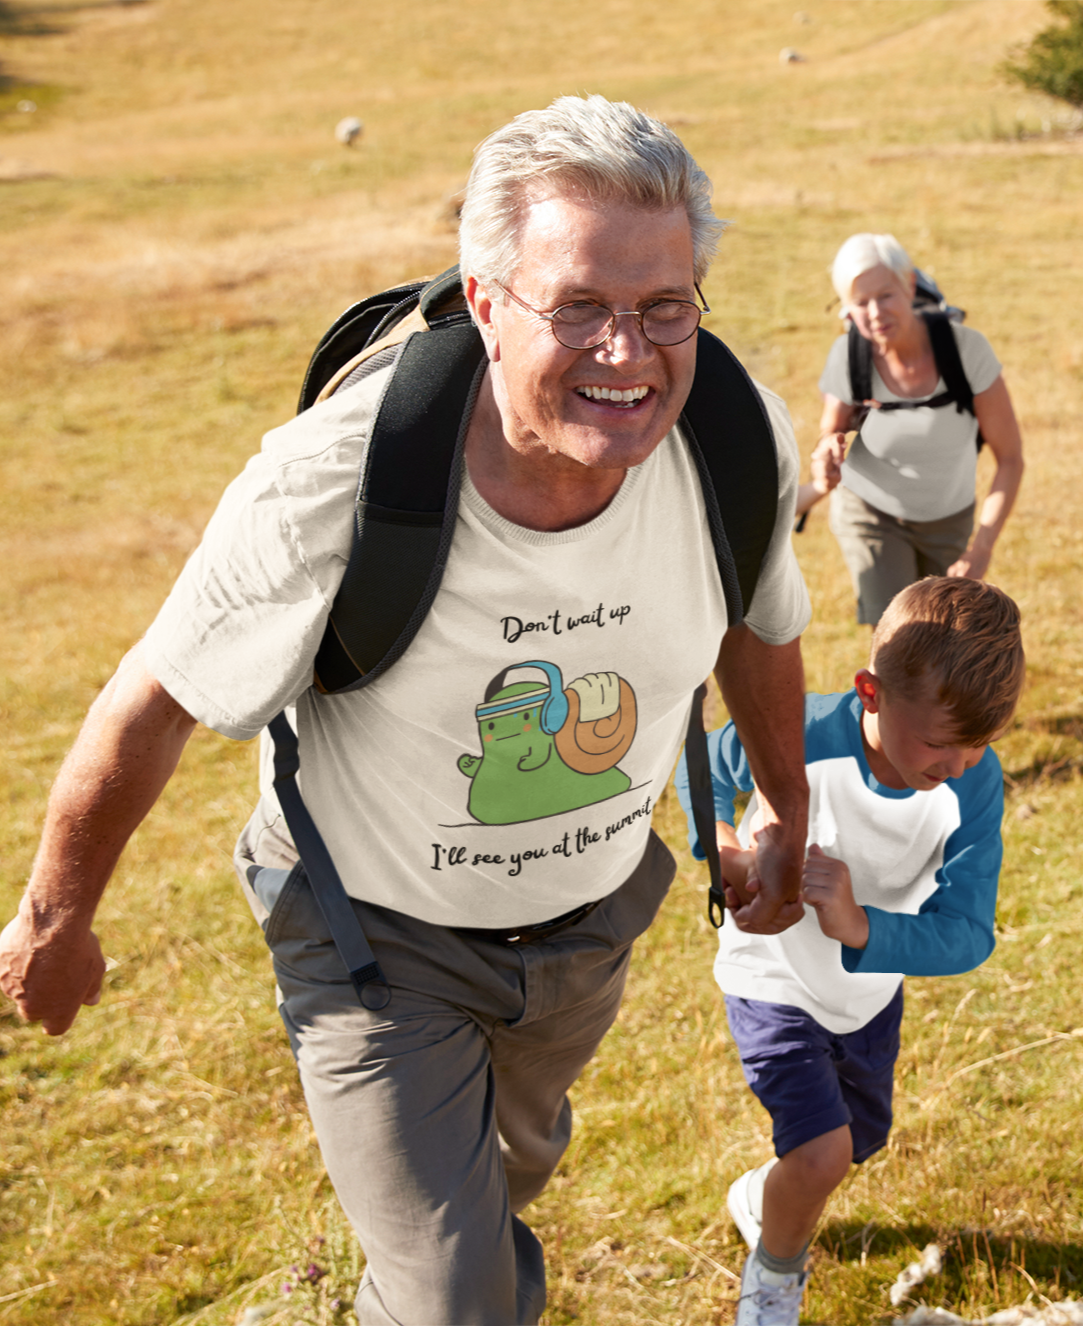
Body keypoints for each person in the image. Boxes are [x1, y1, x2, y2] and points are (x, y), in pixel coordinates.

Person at [0, 96, 813, 1326]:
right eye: (579, 308)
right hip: (374, 939)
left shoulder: (736, 444)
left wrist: (787, 810)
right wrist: (55, 920)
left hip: (587, 926)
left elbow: (759, 622)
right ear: (487, 303)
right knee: (456, 1299)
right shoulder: (334, 477)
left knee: (499, 1195)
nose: (629, 355)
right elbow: (152, 703)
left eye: (665, 307)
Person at [676, 576, 1024, 1326]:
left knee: (857, 1141)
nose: (961, 763)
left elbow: (968, 931)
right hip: (770, 978)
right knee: (824, 1152)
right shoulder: (794, 733)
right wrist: (729, 851)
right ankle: (772, 1281)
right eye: (940, 742)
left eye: (981, 744)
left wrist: (862, 926)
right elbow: (695, 770)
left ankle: (760, 1196)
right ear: (871, 691)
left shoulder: (973, 786)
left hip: (864, 997)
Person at [796, 233, 1025, 626]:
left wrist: (982, 546)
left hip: (948, 518)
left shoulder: (966, 352)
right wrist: (827, 455)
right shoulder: (850, 355)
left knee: (946, 637)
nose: (874, 313)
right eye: (860, 303)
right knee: (898, 634)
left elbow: (1011, 460)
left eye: (885, 296)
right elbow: (829, 434)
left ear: (909, 285)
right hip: (870, 511)